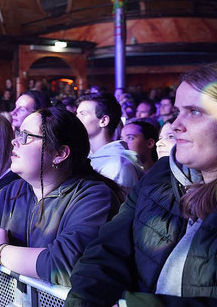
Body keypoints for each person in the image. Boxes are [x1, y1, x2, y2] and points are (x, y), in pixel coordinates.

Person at [66, 64, 217, 306]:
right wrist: (84, 301)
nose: (176, 124)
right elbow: (106, 249)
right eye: (178, 111)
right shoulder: (161, 174)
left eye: (195, 112)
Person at [0, 107, 122, 286]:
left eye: (25, 137)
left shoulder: (94, 197)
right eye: (18, 135)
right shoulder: (17, 189)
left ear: (60, 154)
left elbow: (64, 263)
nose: (14, 142)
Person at [76, 92, 143, 191]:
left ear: (103, 121)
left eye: (83, 114)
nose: (76, 118)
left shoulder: (116, 166)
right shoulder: (90, 156)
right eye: (77, 113)